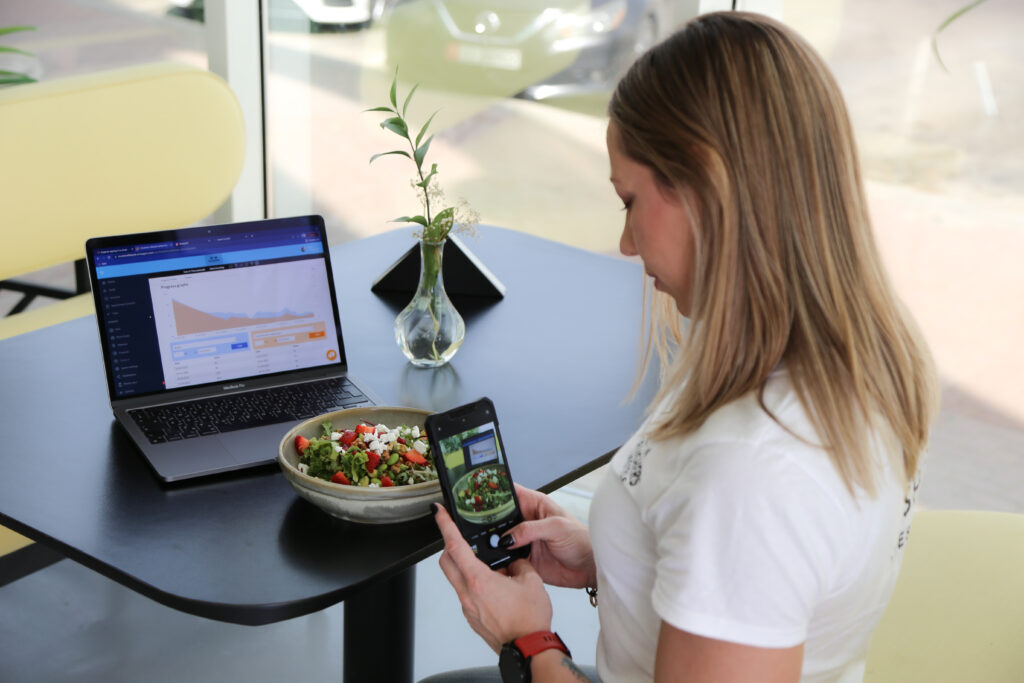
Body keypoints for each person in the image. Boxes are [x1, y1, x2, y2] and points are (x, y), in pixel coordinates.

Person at [428, 10, 938, 683]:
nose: (627, 243)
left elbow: (745, 536)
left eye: (629, 200)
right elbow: (757, 586)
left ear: (705, 185)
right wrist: (611, 557)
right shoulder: (867, 361)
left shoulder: (755, 473)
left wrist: (528, 641)